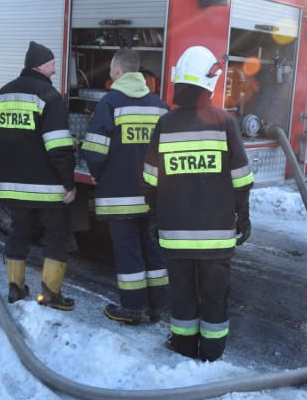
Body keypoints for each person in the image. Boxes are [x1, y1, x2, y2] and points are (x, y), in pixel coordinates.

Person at [142, 46, 254, 362]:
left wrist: (154, 216)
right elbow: (242, 178)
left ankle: (183, 348)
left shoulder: (165, 124)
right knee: (215, 296)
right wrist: (243, 214)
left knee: (181, 294)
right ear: (210, 82)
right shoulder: (226, 123)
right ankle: (212, 354)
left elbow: (150, 180)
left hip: (174, 233)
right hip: (217, 235)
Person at [0, 41, 77, 311]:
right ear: (41, 65)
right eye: (52, 64)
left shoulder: (2, 94)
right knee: (55, 236)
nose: (55, 69)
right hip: (47, 187)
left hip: (13, 184)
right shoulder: (48, 95)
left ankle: (15, 289)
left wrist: (13, 151)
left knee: (19, 232)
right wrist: (69, 183)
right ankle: (50, 295)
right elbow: (58, 146)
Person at [81, 48, 170, 325]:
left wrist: (96, 173)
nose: (109, 72)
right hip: (155, 197)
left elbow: (94, 150)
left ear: (118, 71)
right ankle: (158, 307)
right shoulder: (160, 107)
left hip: (119, 196)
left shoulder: (109, 103)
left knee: (128, 250)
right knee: (154, 248)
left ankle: (132, 309)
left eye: (110, 68)